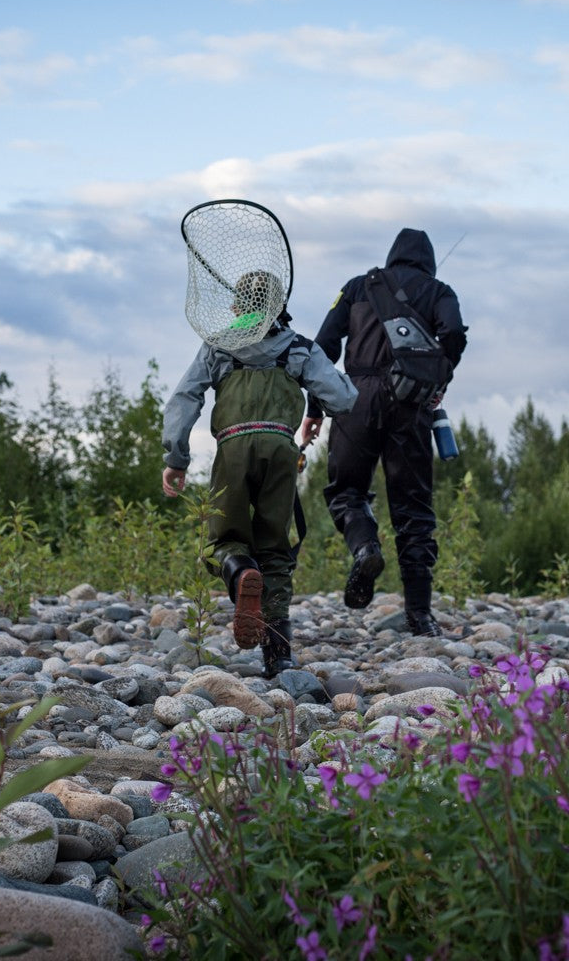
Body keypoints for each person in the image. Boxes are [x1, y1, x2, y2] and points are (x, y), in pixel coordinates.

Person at [162, 271, 358, 678]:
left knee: (224, 540)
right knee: (276, 549)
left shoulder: (218, 346)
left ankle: (240, 573)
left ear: (236, 307)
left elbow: (185, 397)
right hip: (280, 449)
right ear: (279, 306)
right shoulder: (298, 348)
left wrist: (176, 458)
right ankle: (279, 654)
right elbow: (344, 399)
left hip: (232, 448)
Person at [299, 228, 467, 637]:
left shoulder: (357, 287)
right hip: (410, 406)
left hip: (354, 398)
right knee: (414, 511)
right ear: (426, 260)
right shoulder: (440, 291)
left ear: (393, 257)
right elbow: (456, 336)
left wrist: (316, 407)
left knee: (346, 493)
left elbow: (323, 347)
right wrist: (437, 379)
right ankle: (420, 617)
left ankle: (365, 547)